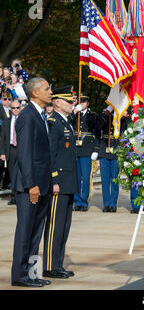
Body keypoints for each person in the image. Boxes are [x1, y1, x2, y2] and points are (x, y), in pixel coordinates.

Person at [11, 77, 52, 287]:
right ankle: (20, 275)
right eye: (46, 89)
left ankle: (32, 273)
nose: (50, 92)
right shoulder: (28, 116)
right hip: (30, 186)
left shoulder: (40, 115)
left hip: (42, 183)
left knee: (36, 233)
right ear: (35, 93)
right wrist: (31, 185)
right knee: (26, 232)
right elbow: (25, 154)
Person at [42, 86, 78, 279]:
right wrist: (54, 179)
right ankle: (49, 265)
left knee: (64, 226)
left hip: (68, 181)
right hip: (59, 182)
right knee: (55, 225)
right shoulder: (53, 123)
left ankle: (58, 264)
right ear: (57, 103)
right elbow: (51, 155)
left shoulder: (66, 122)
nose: (72, 104)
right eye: (69, 101)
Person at [72, 94, 99, 211]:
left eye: (84, 102)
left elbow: (97, 132)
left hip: (87, 149)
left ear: (87, 103)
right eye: (80, 101)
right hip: (75, 150)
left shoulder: (92, 115)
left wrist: (96, 149)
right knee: (76, 178)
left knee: (86, 178)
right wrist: (74, 112)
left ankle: (84, 202)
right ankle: (77, 201)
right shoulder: (74, 114)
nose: (81, 104)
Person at [97, 107, 126, 212]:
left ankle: (113, 204)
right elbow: (98, 125)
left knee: (114, 179)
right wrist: (105, 114)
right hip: (104, 150)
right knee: (105, 180)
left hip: (116, 150)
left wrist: (122, 116)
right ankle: (106, 204)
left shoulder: (121, 117)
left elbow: (125, 128)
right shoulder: (104, 116)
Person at [0, 99, 22, 204]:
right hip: (11, 149)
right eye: (13, 108)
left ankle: (21, 196)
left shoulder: (24, 121)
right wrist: (2, 152)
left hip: (22, 150)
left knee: (22, 173)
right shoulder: (6, 122)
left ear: (20, 108)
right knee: (12, 174)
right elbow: (2, 139)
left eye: (17, 107)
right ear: (10, 109)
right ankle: (14, 197)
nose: (15, 110)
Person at [0, 90, 13, 190]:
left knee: (10, 165)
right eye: (5, 99)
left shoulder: (15, 110)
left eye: (10, 99)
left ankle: (6, 184)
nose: (7, 101)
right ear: (1, 100)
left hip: (10, 141)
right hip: (1, 140)